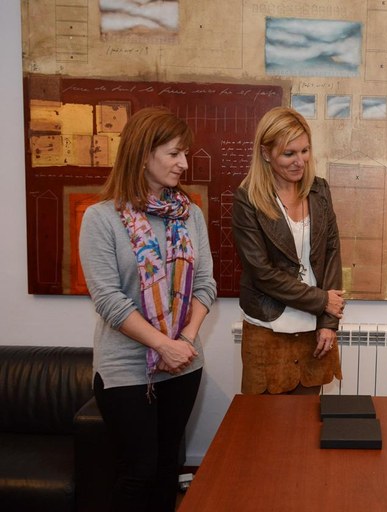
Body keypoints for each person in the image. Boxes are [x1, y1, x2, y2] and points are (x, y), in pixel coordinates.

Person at [79, 107, 217, 512]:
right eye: (174, 154)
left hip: (185, 365)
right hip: (125, 370)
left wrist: (185, 341)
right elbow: (108, 300)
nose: (184, 163)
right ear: (143, 155)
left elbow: (206, 285)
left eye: (185, 153)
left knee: (165, 470)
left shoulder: (191, 215)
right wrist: (163, 344)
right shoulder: (100, 218)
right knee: (137, 472)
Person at [232, 106, 344, 395]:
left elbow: (332, 253)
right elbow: (262, 273)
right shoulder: (248, 199)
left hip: (314, 328)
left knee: (307, 428)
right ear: (266, 153)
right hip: (268, 327)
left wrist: (328, 322)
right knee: (266, 429)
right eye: (289, 154)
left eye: (304, 151)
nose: (300, 162)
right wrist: (321, 301)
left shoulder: (320, 191)